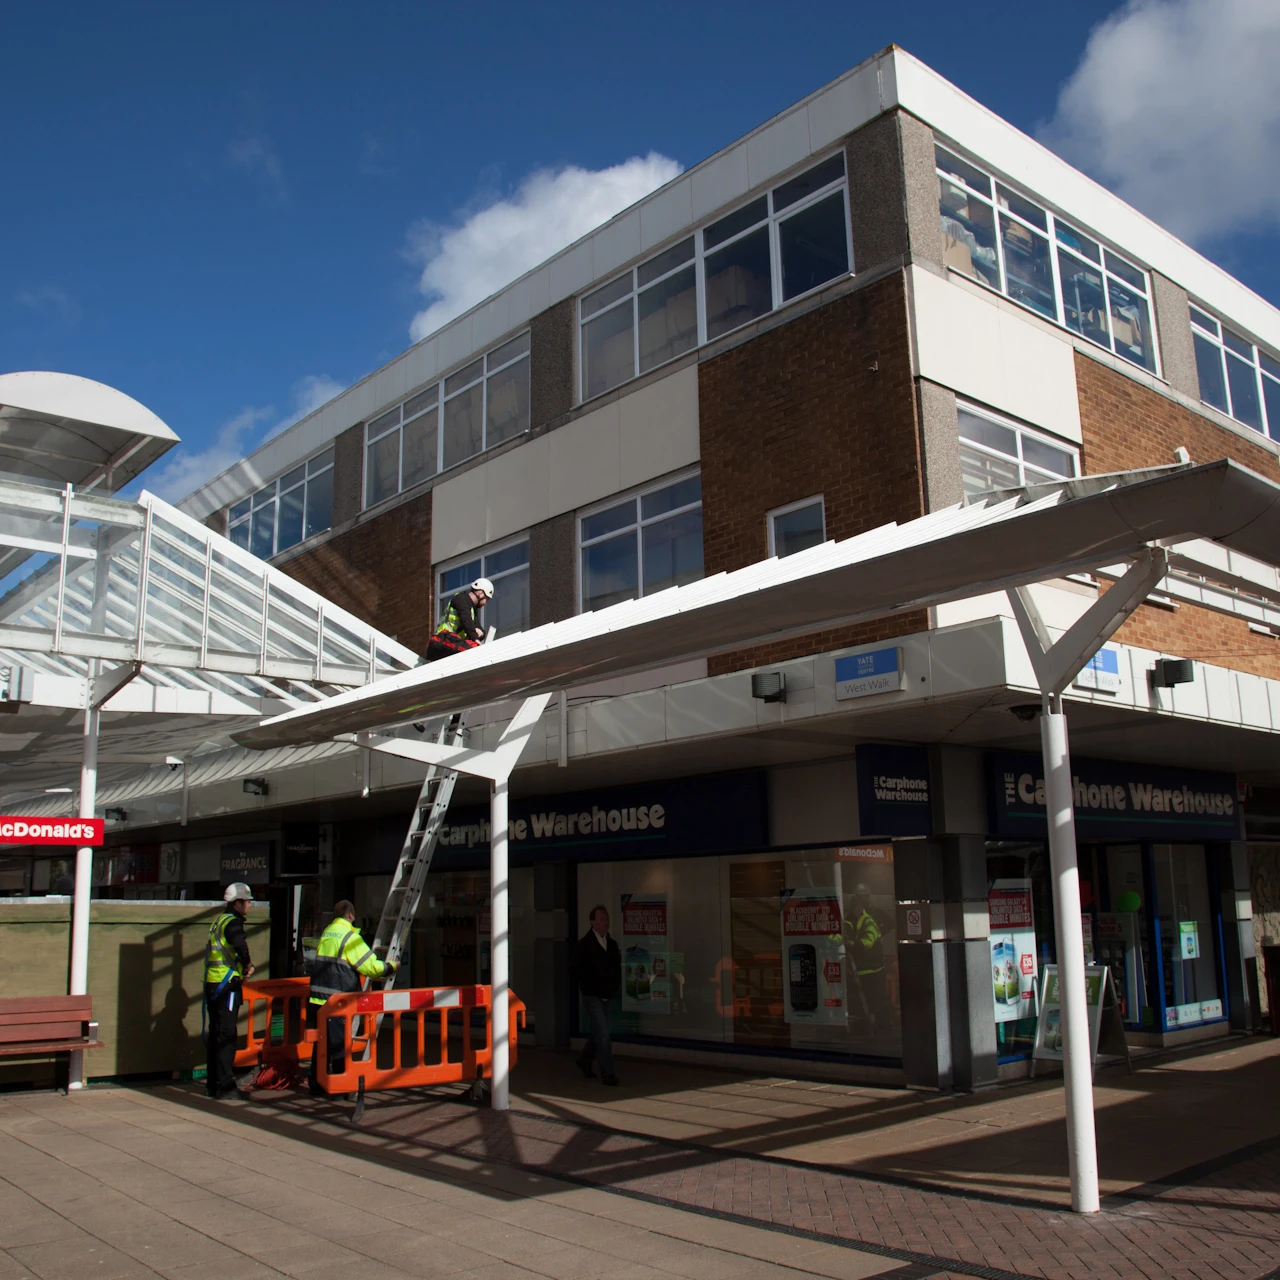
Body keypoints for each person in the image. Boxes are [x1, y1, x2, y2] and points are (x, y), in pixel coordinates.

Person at [307, 900, 395, 1094]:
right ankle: (340, 1086)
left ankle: (317, 1083)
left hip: (318, 998)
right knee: (339, 1045)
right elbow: (371, 968)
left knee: (321, 1045)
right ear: (350, 915)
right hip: (337, 1000)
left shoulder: (327, 932)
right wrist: (390, 967)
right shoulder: (349, 937)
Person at [203, 883, 256, 1100]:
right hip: (227, 987)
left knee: (217, 1035)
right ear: (237, 903)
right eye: (247, 901)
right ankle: (225, 1086)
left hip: (213, 984)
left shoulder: (218, 920)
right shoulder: (233, 923)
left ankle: (214, 1084)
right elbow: (240, 946)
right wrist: (247, 965)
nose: (250, 905)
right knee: (227, 1036)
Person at [571, 904, 621, 1085]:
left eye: (606, 918)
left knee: (601, 1032)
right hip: (593, 995)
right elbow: (576, 969)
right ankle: (608, 1073)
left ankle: (584, 1059)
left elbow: (616, 969)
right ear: (592, 922)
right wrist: (588, 986)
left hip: (608, 994)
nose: (605, 922)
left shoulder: (612, 944)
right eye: (601, 919)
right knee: (603, 1036)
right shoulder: (584, 945)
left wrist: (614, 987)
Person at [845, 883, 893, 1036]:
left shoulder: (874, 913)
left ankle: (883, 1026)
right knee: (865, 998)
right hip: (861, 963)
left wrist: (878, 935)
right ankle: (871, 1025)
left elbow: (890, 923)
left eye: (862, 896)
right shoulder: (853, 915)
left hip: (874, 963)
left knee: (877, 997)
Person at [426, 577, 493, 662]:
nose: (485, 603)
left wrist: (481, 633)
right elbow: (466, 619)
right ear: (480, 593)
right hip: (443, 639)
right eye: (486, 599)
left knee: (472, 649)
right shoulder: (460, 599)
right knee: (473, 649)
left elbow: (477, 627)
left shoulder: (472, 610)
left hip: (453, 642)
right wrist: (475, 639)